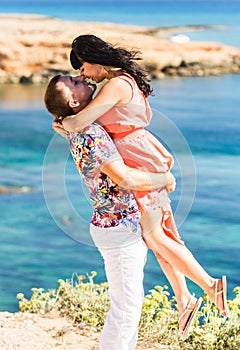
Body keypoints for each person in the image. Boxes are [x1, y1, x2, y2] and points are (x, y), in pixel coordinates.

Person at [60, 34, 230, 338]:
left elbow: (79, 123)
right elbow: (89, 131)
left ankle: (210, 286)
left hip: (140, 162)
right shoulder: (118, 81)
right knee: (160, 235)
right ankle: (185, 297)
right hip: (137, 157)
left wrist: (60, 121)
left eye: (83, 67)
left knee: (155, 236)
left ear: (95, 59)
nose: (82, 73)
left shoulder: (116, 84)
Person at [44, 74, 177, 350]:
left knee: (128, 307)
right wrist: (164, 179)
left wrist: (65, 122)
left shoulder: (80, 127)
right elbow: (125, 178)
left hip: (115, 228)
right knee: (125, 311)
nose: (81, 77)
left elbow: (65, 125)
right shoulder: (90, 133)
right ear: (73, 100)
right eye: (74, 82)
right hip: (118, 231)